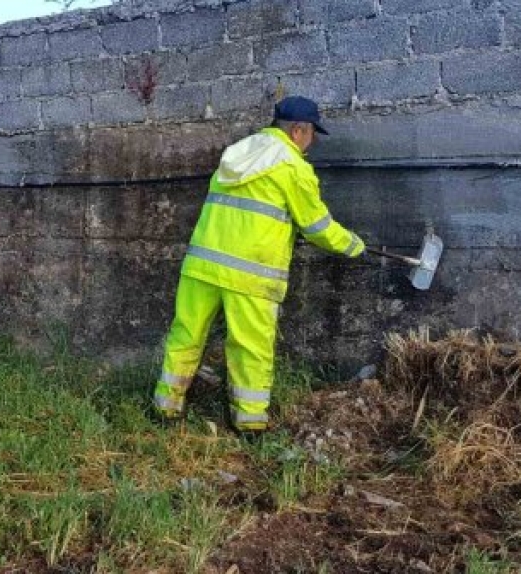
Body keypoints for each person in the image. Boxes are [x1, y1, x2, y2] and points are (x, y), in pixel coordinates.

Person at [152, 96, 365, 434]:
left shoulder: (240, 152)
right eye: (312, 134)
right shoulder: (292, 167)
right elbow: (317, 227)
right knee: (250, 348)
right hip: (250, 276)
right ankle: (249, 424)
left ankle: (166, 408)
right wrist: (354, 246)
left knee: (186, 336)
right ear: (298, 131)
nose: (313, 142)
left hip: (201, 267)